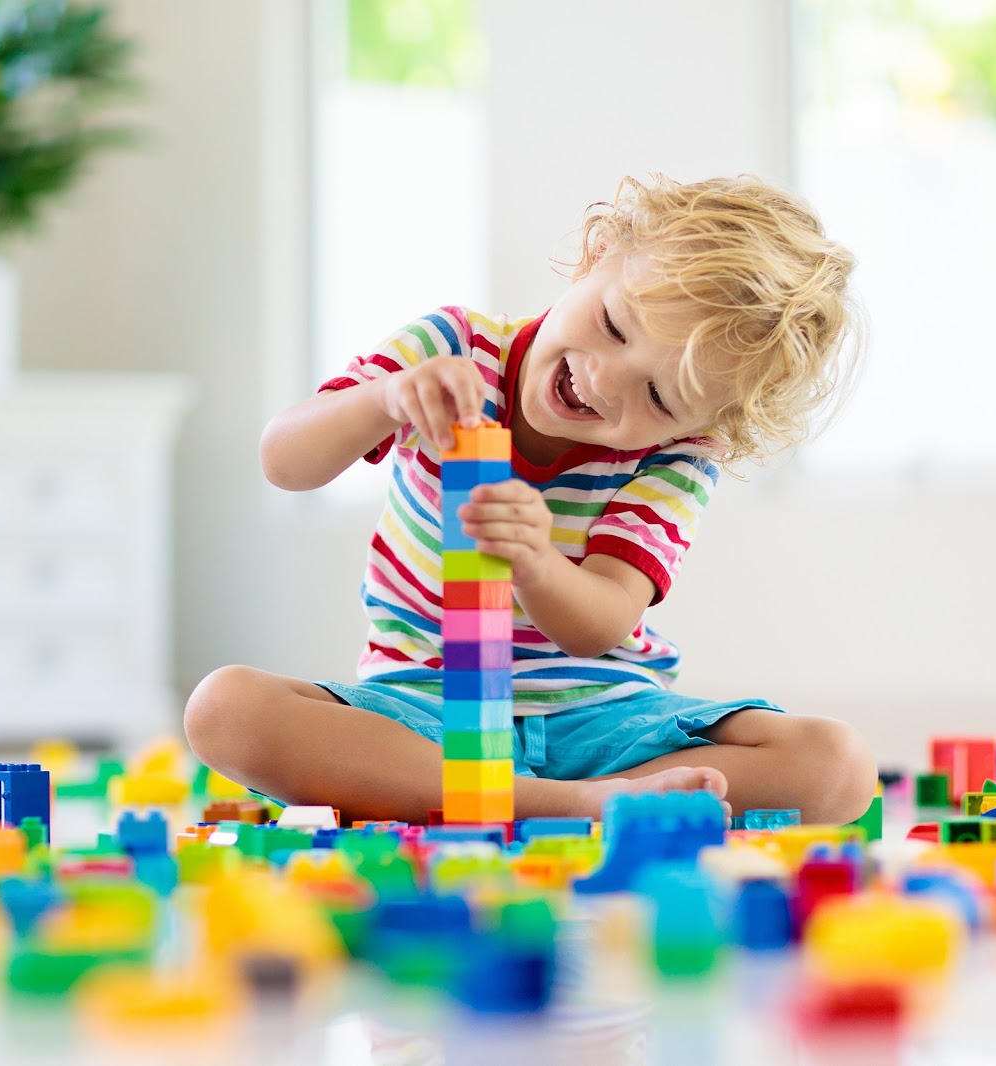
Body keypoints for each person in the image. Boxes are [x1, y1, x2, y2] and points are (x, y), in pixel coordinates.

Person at [186, 174, 877, 825]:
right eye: (613, 324)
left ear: (699, 421)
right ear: (596, 255)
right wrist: (383, 399)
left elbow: (602, 620)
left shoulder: (680, 456)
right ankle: (575, 805)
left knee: (839, 766)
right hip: (425, 706)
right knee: (225, 708)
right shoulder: (452, 346)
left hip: (601, 717)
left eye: (659, 396)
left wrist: (535, 564)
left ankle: (521, 796)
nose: (606, 380)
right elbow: (284, 460)